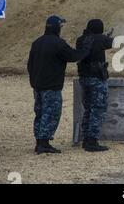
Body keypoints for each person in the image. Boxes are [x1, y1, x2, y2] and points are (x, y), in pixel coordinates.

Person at [27, 15, 93, 154]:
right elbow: (73, 56)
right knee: (51, 113)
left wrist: (33, 81)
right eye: (61, 26)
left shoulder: (37, 42)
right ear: (57, 27)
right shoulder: (58, 43)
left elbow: (30, 64)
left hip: (38, 85)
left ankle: (39, 141)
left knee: (40, 113)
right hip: (51, 86)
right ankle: (44, 143)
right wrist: (86, 50)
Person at [76, 19, 114, 152]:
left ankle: (86, 138)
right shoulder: (100, 39)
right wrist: (107, 35)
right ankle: (92, 141)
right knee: (98, 109)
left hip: (84, 78)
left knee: (88, 108)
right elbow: (110, 43)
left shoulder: (81, 39)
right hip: (97, 79)